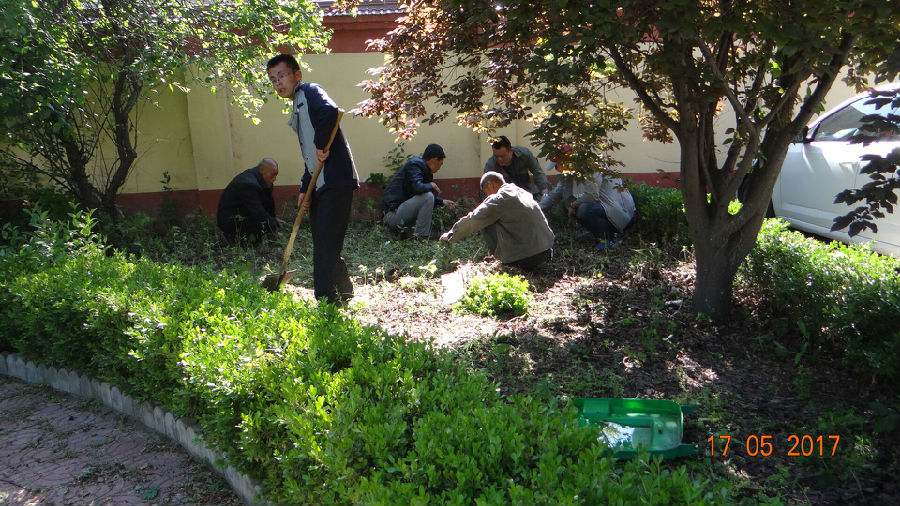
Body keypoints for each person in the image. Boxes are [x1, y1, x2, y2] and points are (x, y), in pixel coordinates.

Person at [266, 53, 359, 304]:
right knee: (324, 239)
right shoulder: (298, 105)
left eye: (282, 76)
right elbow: (312, 158)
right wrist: (304, 188)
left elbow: (330, 111)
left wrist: (321, 144)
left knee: (326, 244)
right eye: (273, 79)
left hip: (336, 181)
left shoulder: (309, 91)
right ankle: (344, 291)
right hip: (320, 183)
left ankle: (326, 303)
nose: (278, 83)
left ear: (297, 75)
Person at [440, 172, 554, 271]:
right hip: (546, 251)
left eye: (485, 191)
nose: (486, 195)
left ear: (491, 184)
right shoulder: (521, 191)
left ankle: (497, 260)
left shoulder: (499, 199)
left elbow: (474, 219)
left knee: (485, 221)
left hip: (526, 257)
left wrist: (451, 234)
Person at [540, 158, 636, 250]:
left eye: (556, 166)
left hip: (624, 213)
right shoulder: (570, 175)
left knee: (584, 209)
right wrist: (536, 209)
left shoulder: (592, 166)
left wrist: (573, 205)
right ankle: (598, 233)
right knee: (573, 206)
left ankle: (610, 238)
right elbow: (554, 195)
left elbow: (592, 195)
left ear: (566, 161)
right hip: (608, 209)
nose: (556, 169)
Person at [382, 143, 457, 239]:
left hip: (402, 215)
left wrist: (442, 202)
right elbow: (418, 188)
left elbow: (419, 196)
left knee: (435, 233)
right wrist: (430, 185)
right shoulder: (415, 165)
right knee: (428, 196)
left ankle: (408, 235)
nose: (439, 167)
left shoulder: (423, 169)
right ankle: (421, 238)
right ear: (434, 160)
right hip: (392, 216)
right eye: (440, 163)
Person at [216, 158, 282, 243]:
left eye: (276, 175)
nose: (274, 179)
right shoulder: (248, 183)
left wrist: (273, 218)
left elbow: (268, 203)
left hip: (244, 214)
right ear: (262, 170)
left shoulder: (263, 180)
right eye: (273, 175)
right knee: (260, 229)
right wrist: (273, 228)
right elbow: (258, 211)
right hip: (231, 221)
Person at [482, 135, 550, 199]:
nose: (499, 159)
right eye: (496, 156)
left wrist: (544, 193)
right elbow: (487, 187)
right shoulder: (490, 166)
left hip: (527, 193)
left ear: (511, 151)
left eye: (502, 156)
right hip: (505, 199)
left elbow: (537, 172)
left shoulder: (525, 154)